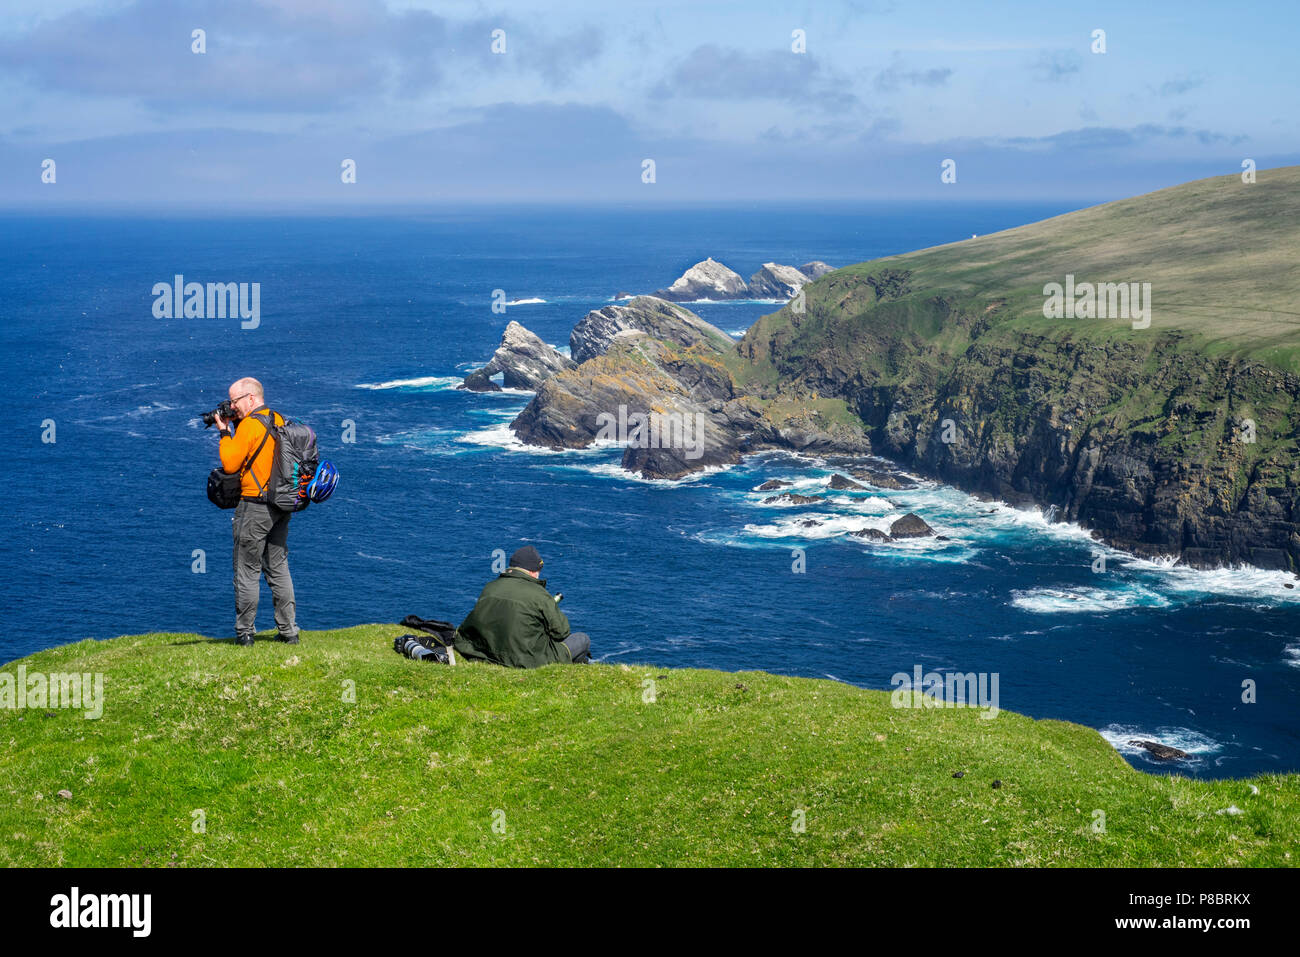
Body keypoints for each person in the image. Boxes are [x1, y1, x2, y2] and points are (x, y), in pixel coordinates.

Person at [213, 377, 299, 647]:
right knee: (278, 567)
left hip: (254, 505)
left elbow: (229, 464)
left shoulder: (250, 425)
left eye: (234, 401)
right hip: (282, 504)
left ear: (250, 398)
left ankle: (245, 634)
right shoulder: (280, 419)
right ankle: (289, 631)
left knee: (247, 570)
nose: (232, 406)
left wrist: (225, 432)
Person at [453, 545, 591, 667]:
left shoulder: (490, 587)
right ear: (532, 571)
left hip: (486, 652)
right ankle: (575, 668)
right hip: (525, 660)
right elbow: (562, 632)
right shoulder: (540, 595)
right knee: (582, 639)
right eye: (538, 570)